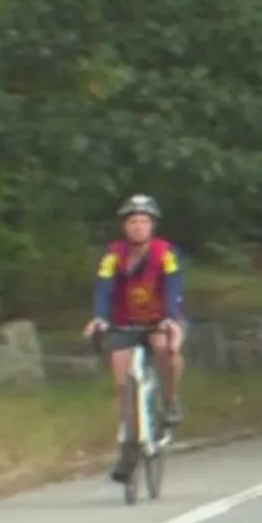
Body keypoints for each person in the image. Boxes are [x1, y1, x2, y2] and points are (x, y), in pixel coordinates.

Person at [85, 194, 187, 483]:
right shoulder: (112, 255)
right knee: (121, 381)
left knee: (165, 348)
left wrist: (171, 317)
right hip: (124, 323)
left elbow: (173, 284)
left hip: (159, 319)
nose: (138, 227)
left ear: (152, 225)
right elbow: (103, 287)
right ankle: (129, 441)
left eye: (144, 221)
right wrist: (100, 317)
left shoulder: (165, 253)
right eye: (133, 222)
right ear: (124, 226)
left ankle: (171, 400)